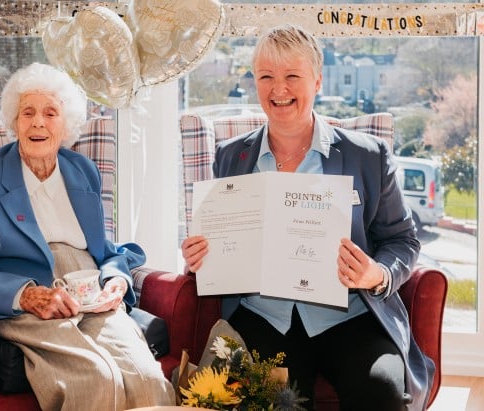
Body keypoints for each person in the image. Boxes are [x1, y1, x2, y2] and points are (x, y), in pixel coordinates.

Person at [182, 24, 433, 411]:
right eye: (266, 77)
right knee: (280, 402)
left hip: (349, 316)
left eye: (292, 77)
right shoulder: (230, 157)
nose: (278, 90)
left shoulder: (368, 156)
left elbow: (403, 240)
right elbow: (220, 242)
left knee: (381, 393)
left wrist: (376, 274)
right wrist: (202, 256)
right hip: (264, 318)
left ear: (317, 81)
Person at [0, 62, 175, 410]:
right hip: (27, 300)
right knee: (94, 379)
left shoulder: (82, 170)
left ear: (66, 123)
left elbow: (105, 250)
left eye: (50, 112)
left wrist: (116, 280)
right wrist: (27, 296)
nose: (38, 121)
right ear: (14, 121)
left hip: (89, 291)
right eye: (28, 112)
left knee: (146, 379)